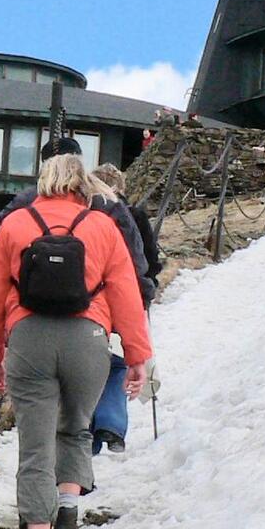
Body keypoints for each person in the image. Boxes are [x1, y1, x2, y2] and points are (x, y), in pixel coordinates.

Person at [0, 154, 151, 529]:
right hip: (87, 340)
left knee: (36, 445)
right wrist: (136, 356)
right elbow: (127, 296)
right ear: (83, 184)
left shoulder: (14, 225)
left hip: (29, 339)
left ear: (43, 181)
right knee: (76, 429)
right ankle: (68, 522)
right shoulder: (102, 227)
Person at [0, 137, 156, 307]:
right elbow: (133, 254)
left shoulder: (30, 197)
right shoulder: (106, 199)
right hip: (92, 300)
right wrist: (144, 290)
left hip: (30, 296)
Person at [87, 163, 163, 455]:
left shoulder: (84, 214)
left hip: (92, 302)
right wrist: (146, 291)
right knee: (121, 364)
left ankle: (91, 438)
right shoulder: (134, 215)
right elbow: (150, 261)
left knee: (95, 364)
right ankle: (112, 423)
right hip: (127, 298)